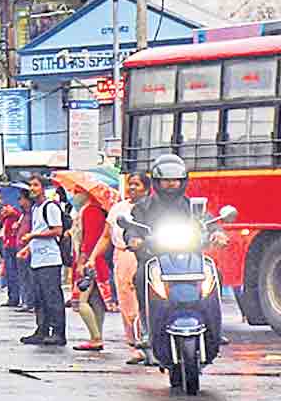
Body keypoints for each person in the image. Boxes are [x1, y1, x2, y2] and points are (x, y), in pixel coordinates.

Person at [125, 154, 230, 351]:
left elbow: (208, 221)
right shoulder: (143, 207)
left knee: (214, 272)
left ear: (183, 181)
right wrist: (133, 238)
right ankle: (148, 328)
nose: (171, 184)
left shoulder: (192, 206)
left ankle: (215, 325)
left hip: (189, 258)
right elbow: (132, 227)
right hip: (154, 259)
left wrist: (217, 233)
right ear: (157, 182)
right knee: (140, 277)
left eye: (175, 180)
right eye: (166, 180)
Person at [86, 174, 152, 364]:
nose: (132, 188)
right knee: (126, 303)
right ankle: (134, 346)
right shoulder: (118, 209)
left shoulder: (152, 208)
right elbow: (106, 237)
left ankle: (150, 344)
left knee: (144, 300)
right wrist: (92, 258)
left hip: (144, 255)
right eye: (130, 184)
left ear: (146, 188)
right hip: (122, 255)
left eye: (136, 185)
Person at [20, 176, 67, 346]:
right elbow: (39, 230)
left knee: (52, 297)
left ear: (43, 188)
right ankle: (42, 330)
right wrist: (28, 248)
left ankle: (58, 332)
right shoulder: (35, 209)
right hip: (37, 258)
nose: (32, 188)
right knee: (39, 297)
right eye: (30, 185)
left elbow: (57, 230)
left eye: (35, 185)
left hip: (50, 259)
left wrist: (33, 235)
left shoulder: (50, 207)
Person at [71, 192, 113, 351]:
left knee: (81, 301)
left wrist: (83, 261)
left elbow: (91, 239)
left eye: (77, 191)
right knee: (96, 300)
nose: (74, 195)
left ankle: (96, 337)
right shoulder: (93, 209)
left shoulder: (91, 211)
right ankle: (97, 336)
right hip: (96, 260)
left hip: (90, 261)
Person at [0, 195, 25, 308]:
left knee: (16, 272)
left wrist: (12, 212)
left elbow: (19, 217)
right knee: (9, 272)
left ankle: (18, 297)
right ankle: (12, 297)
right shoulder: (7, 214)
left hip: (15, 244)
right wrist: (4, 214)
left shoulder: (20, 213)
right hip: (7, 243)